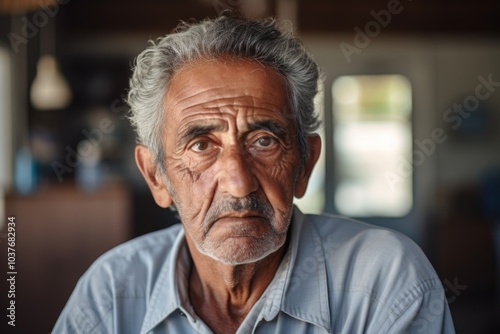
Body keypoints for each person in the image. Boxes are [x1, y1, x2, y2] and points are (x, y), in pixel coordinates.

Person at [53, 16, 455, 334]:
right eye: (201, 145)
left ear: (305, 165)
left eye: (264, 141)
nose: (239, 182)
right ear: (157, 177)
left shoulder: (385, 280)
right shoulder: (110, 291)